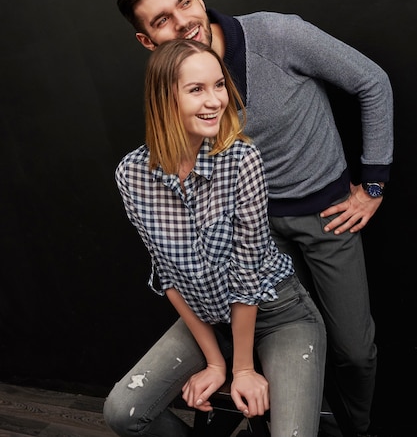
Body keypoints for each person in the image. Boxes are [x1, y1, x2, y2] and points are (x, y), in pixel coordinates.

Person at [114, 0, 394, 437]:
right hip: (254, 229)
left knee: (354, 349)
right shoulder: (173, 97)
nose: (183, 21)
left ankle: (355, 428)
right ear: (147, 40)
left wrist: (372, 186)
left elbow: (372, 82)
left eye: (184, 2)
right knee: (280, 346)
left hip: (325, 214)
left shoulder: (278, 35)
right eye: (162, 19)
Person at [104, 39, 326, 437]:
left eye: (219, 85)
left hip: (279, 315)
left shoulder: (243, 160)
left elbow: (247, 275)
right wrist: (214, 360)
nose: (215, 101)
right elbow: (166, 275)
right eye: (196, 89)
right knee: (123, 411)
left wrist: (241, 367)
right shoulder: (132, 175)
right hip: (207, 319)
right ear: (163, 100)